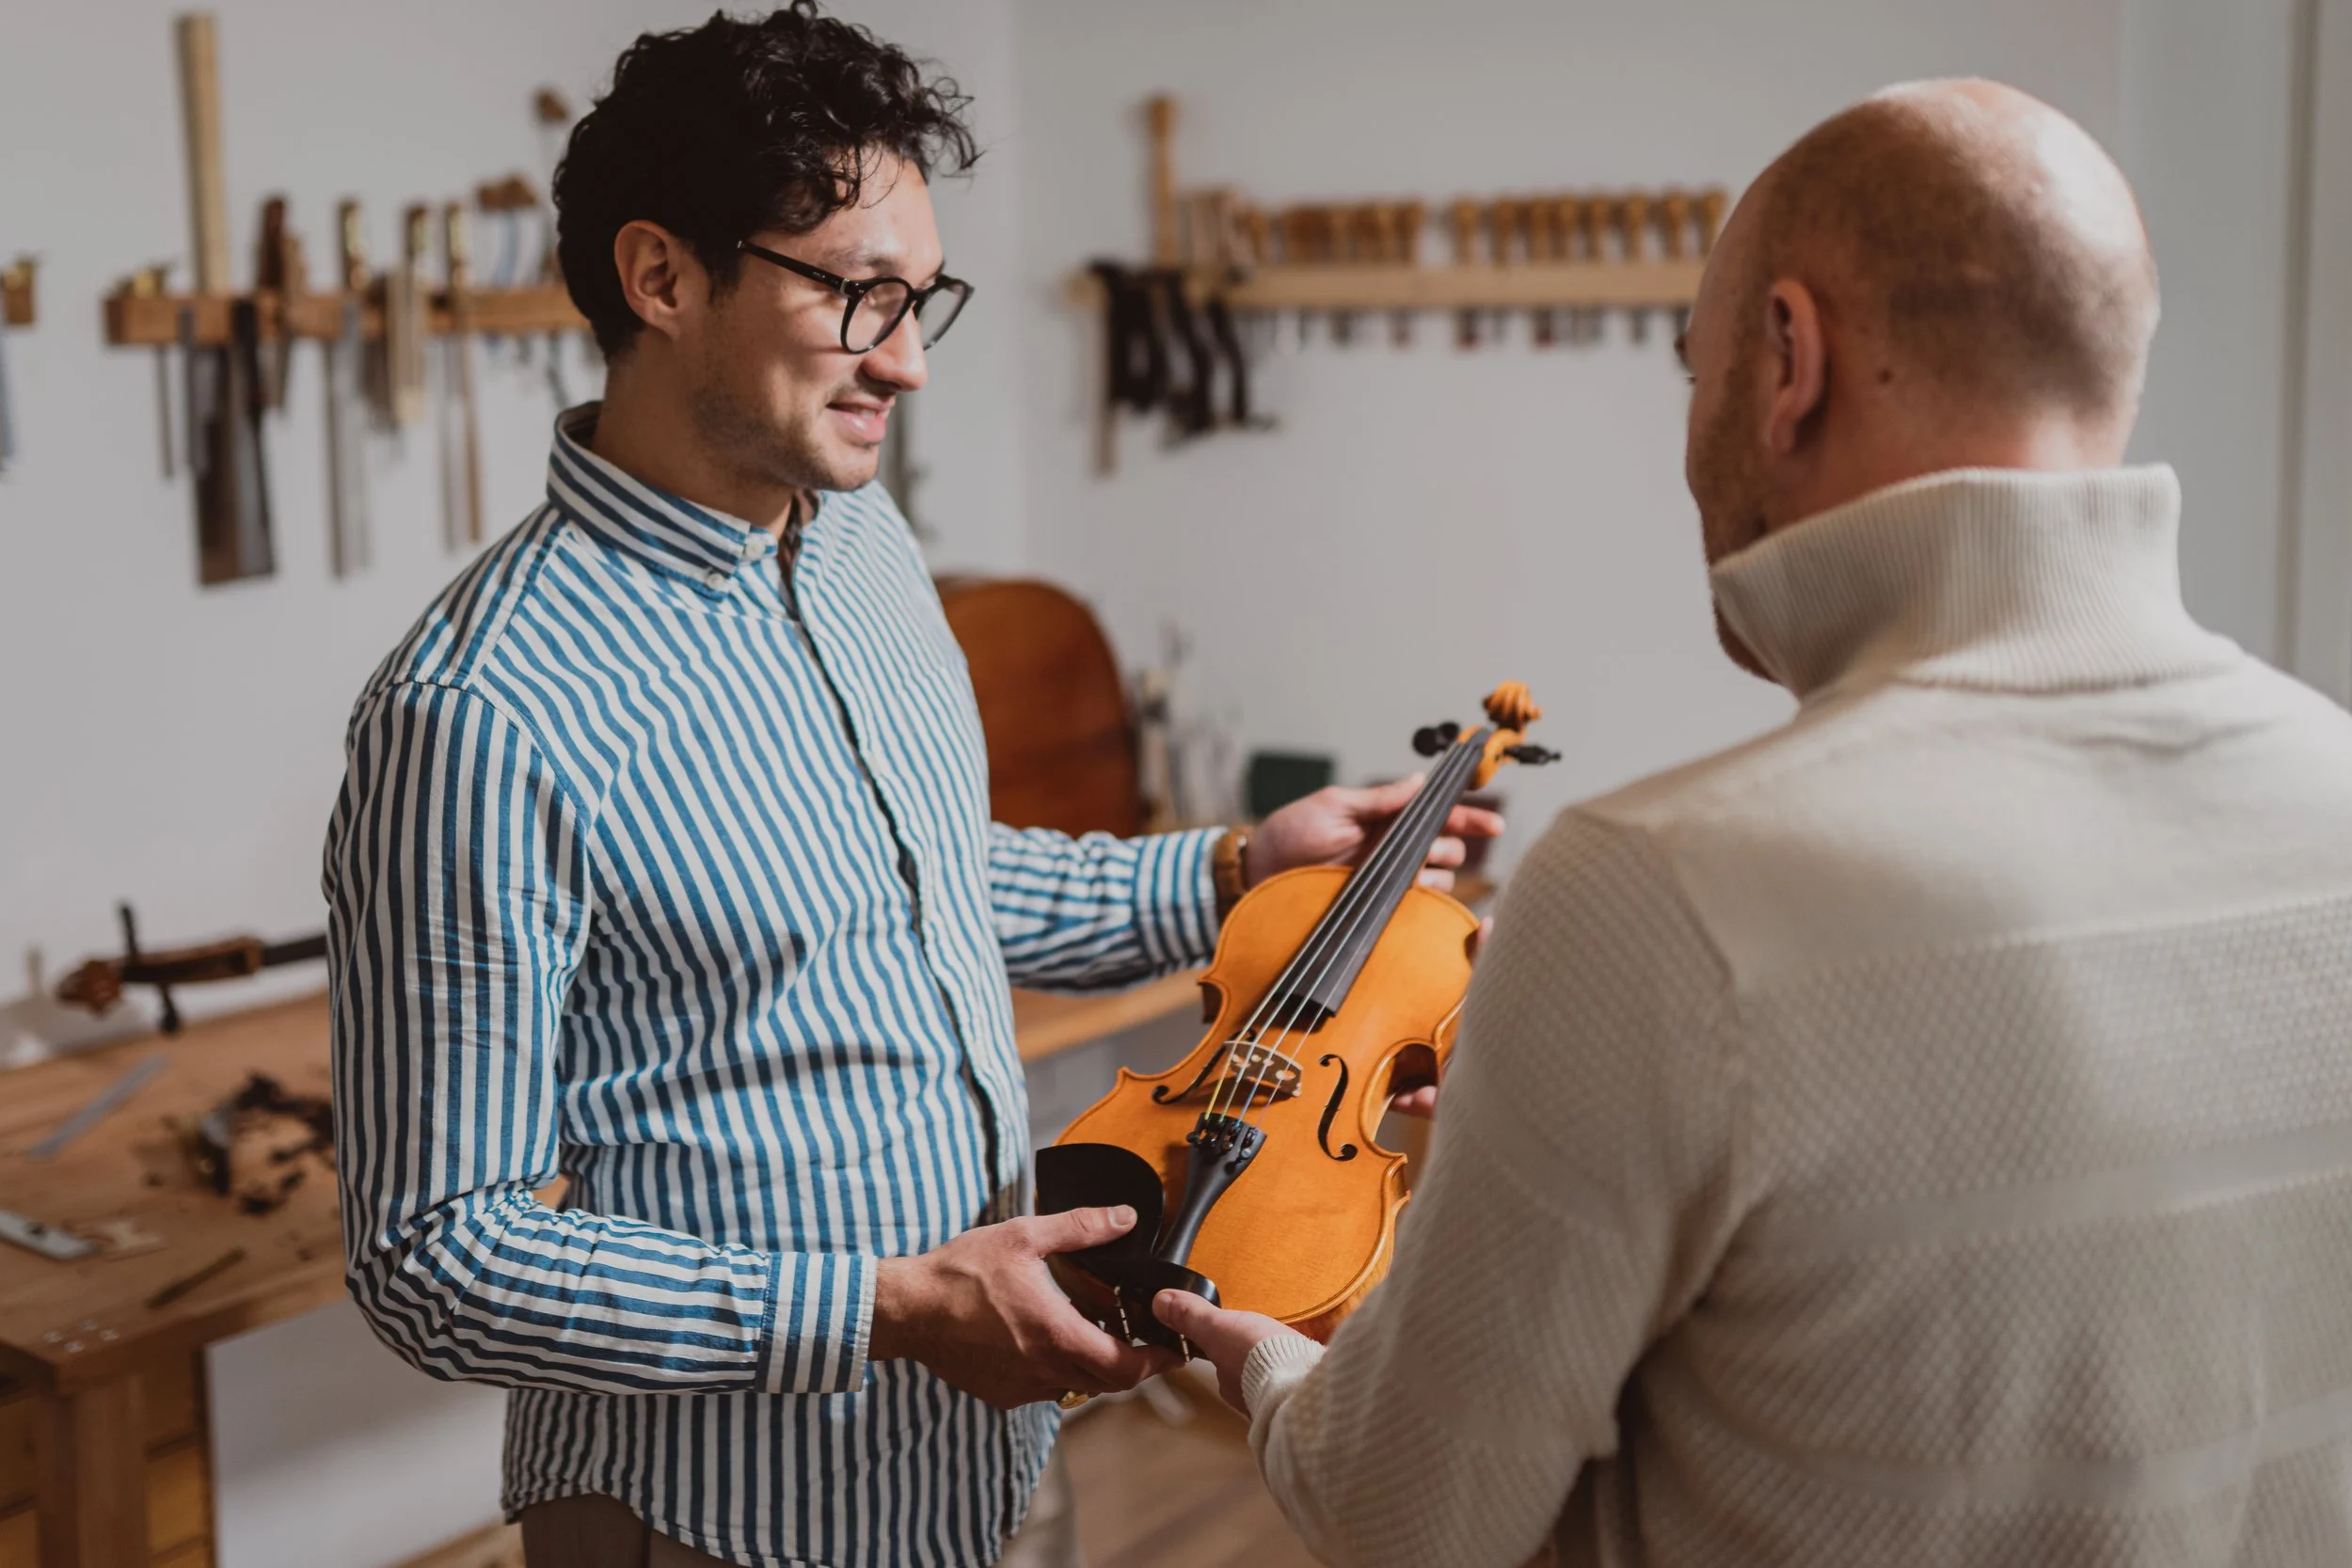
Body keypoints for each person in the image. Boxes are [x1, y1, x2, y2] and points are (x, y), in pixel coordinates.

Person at [320, 9, 1497, 1567]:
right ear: (661, 277)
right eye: (858, 294)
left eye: (918, 292)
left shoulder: (860, 537)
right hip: (720, 1512)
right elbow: (430, 1254)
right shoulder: (477, 710)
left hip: (985, 1451)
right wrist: (887, 1305)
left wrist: (1235, 866)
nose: (910, 357)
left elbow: (929, 880)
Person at [1159, 79, 2352, 1568]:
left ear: (1790, 359)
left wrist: (1271, 1356)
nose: (1694, 432)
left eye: (1693, 368)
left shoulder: (1653, 894)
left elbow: (1412, 1517)